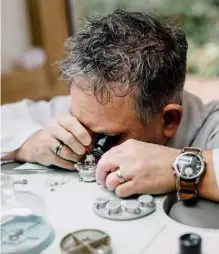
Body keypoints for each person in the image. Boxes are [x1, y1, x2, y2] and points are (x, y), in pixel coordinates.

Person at [1, 10, 219, 202]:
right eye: (79, 125)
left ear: (169, 120)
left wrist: (180, 168)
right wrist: (29, 143)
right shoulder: (92, 111)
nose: (88, 148)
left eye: (107, 138)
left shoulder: (211, 127)